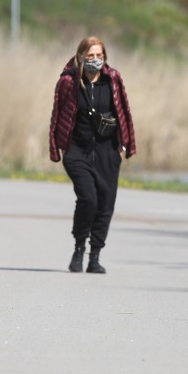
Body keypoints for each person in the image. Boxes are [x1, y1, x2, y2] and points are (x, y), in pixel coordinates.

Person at [49, 36, 136, 274]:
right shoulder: (68, 82)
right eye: (90, 56)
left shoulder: (113, 79)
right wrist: (57, 147)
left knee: (105, 203)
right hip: (77, 150)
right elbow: (57, 115)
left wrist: (125, 145)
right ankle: (79, 247)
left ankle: (95, 255)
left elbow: (124, 112)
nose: (95, 60)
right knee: (88, 198)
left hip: (108, 151)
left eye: (99, 56)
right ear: (80, 57)